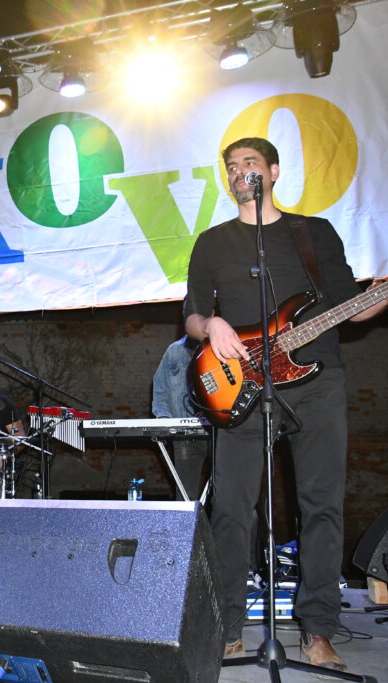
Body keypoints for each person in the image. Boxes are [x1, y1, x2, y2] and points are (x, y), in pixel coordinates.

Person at [184, 137, 387, 669]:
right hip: (242, 386)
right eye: (232, 167)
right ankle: (228, 626)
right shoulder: (212, 242)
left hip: (318, 381)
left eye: (249, 163)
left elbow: (350, 306)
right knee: (231, 509)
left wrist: (379, 296)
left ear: (273, 171)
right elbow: (192, 314)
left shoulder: (313, 232)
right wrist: (212, 324)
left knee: (322, 505)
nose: (240, 172)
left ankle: (317, 630)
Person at [151, 335, 210, 499]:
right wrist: (163, 416)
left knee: (225, 491)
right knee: (185, 495)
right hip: (185, 435)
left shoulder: (220, 346)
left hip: (219, 432)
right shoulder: (174, 351)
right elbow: (160, 387)